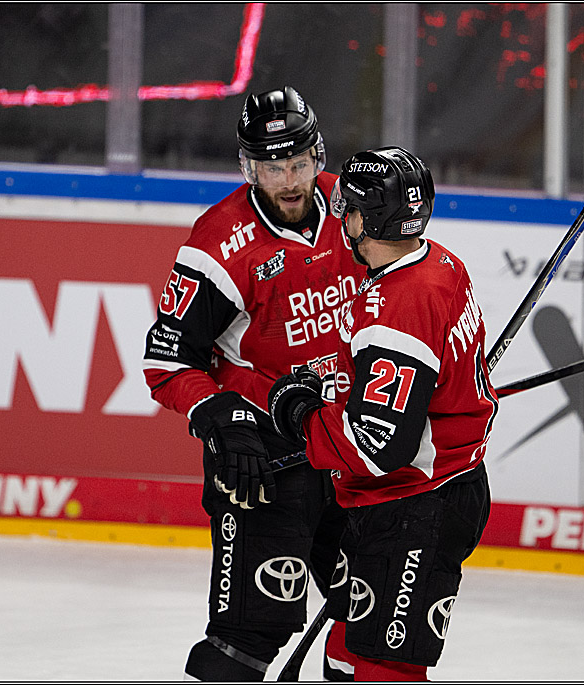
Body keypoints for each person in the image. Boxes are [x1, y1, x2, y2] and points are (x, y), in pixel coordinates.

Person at [142, 86, 365, 681]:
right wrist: (223, 417)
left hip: (349, 442)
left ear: (318, 156)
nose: (289, 181)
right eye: (272, 167)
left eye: (298, 163)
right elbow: (167, 361)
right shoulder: (220, 241)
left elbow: (408, 300)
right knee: (249, 632)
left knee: (371, 615)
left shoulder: (358, 207)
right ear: (249, 168)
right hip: (262, 459)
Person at [267, 146, 497, 681]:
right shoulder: (441, 263)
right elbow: (428, 377)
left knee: (383, 666)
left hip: (416, 505)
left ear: (369, 219)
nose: (341, 217)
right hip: (425, 494)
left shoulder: (397, 307)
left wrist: (302, 416)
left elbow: (380, 445)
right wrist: (333, 388)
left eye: (349, 208)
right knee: (346, 656)